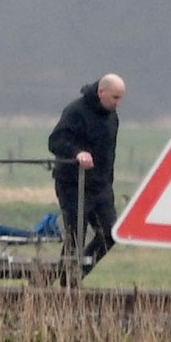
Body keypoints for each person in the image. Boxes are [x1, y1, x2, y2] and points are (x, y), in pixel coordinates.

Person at [48, 73, 126, 284]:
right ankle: (57, 283)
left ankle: (74, 274)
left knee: (110, 234)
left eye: (120, 99)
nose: (118, 103)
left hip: (101, 187)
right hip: (73, 184)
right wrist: (77, 153)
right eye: (115, 98)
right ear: (101, 92)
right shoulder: (75, 112)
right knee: (75, 236)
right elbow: (55, 141)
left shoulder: (112, 117)